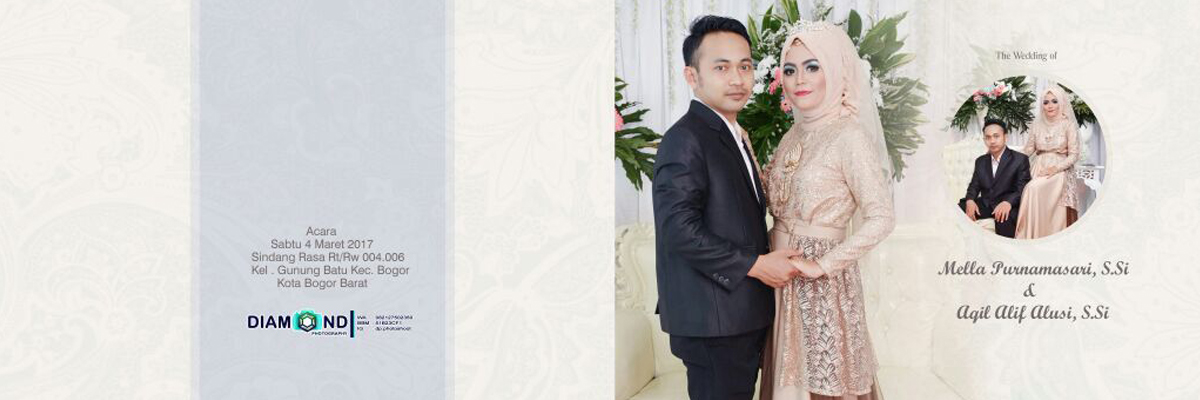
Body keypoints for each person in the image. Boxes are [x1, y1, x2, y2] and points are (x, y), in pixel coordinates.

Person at [652, 15, 803, 400]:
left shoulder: (731, 133)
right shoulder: (685, 138)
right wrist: (757, 265)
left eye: (744, 66)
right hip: (712, 321)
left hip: (736, 315)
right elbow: (678, 229)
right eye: (721, 68)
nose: (737, 79)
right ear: (692, 76)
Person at [758, 20, 894, 400]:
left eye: (812, 66)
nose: (799, 79)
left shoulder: (849, 135)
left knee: (821, 385)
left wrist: (822, 264)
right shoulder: (793, 134)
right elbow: (776, 196)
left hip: (823, 290)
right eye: (790, 69)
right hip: (780, 279)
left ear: (835, 70)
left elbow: (882, 216)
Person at [1014, 84, 1081, 239]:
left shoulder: (1068, 124)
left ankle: (1043, 236)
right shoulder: (1037, 124)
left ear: (1061, 103)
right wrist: (1006, 155)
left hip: (1059, 171)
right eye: (1046, 102)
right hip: (1038, 167)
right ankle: (1033, 236)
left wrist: (1055, 168)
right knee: (1026, 189)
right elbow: (1028, 150)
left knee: (1032, 189)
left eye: (1054, 101)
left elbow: (1074, 155)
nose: (1050, 105)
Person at [959, 119, 1032, 238]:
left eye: (996, 136)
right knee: (958, 209)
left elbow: (1023, 188)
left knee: (1003, 220)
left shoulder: (1020, 159)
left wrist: (1008, 202)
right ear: (984, 139)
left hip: (1008, 205)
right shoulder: (980, 161)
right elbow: (974, 185)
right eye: (988, 137)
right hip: (986, 203)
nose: (992, 141)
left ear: (1005, 137)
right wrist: (970, 200)